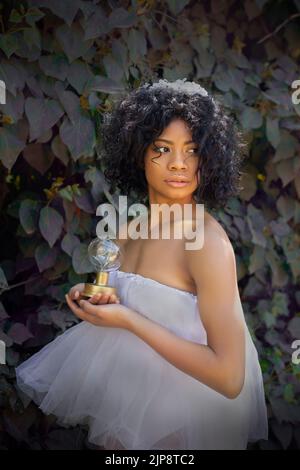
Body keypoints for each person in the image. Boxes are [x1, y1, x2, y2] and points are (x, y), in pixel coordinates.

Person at [15, 78, 268, 450]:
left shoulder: (206, 243)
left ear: (210, 158)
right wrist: (94, 299)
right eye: (162, 148)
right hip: (127, 413)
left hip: (184, 426)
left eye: (193, 150)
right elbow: (127, 302)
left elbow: (229, 378)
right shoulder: (126, 229)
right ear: (137, 151)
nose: (179, 164)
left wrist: (129, 320)